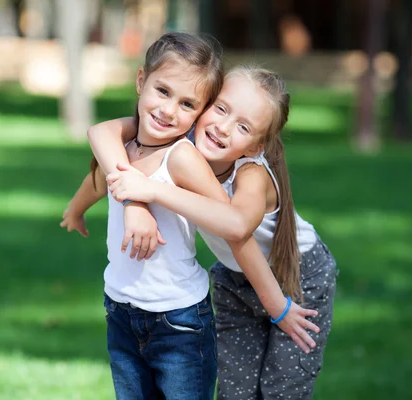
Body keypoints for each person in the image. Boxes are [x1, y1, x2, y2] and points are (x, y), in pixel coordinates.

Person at [104, 66, 338, 400]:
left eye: (243, 127)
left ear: (255, 147)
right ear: (204, 104)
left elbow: (237, 226)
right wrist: (115, 204)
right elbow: (106, 134)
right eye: (221, 109)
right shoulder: (178, 143)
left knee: (282, 389)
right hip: (234, 279)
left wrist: (151, 192)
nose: (223, 128)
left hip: (299, 277)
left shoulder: (252, 173)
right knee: (235, 391)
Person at [62, 31, 228, 400]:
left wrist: (152, 195)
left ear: (200, 114)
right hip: (121, 310)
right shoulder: (123, 149)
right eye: (163, 91)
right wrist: (76, 209)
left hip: (179, 321)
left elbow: (225, 217)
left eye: (188, 104)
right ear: (141, 81)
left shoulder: (181, 158)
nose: (169, 110)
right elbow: (102, 181)